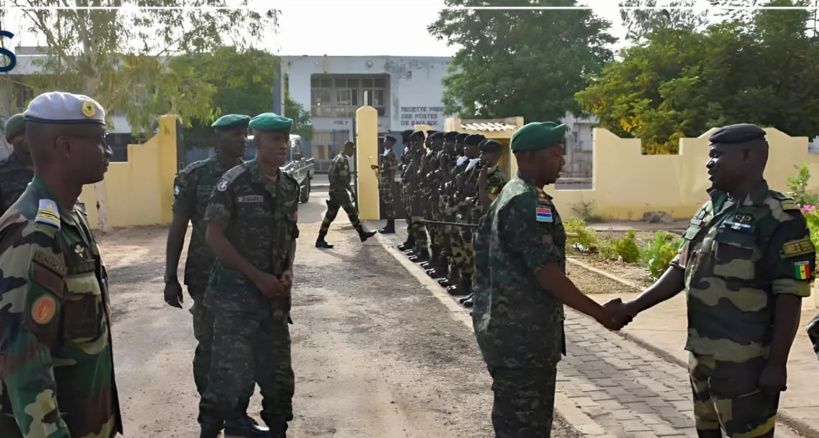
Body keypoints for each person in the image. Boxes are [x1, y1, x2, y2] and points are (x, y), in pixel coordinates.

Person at [616, 123, 814, 438]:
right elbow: (680, 270)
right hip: (702, 357)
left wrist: (777, 363)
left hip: (746, 365)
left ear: (747, 156)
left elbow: (790, 295)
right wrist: (631, 307)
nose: (709, 163)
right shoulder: (711, 208)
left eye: (717, 155)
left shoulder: (779, 218)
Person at [472, 121, 626, 438]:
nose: (563, 161)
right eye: (556, 154)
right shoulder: (524, 200)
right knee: (524, 429)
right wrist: (601, 313)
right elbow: (547, 274)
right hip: (521, 344)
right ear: (529, 157)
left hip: (520, 339)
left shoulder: (519, 194)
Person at [0, 91, 122, 437]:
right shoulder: (32, 232)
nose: (108, 150)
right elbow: (24, 360)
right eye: (100, 140)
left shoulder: (69, 217)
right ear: (65, 147)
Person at [163, 114, 268, 437]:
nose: (243, 139)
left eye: (245, 135)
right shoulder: (195, 176)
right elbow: (178, 226)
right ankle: (211, 416)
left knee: (245, 346)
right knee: (209, 346)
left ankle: (238, 415)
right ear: (218, 138)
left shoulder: (254, 176)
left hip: (245, 277)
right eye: (235, 134)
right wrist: (170, 276)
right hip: (205, 275)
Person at [198, 112, 300, 438]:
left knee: (279, 379)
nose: (282, 145)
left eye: (285, 139)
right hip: (235, 300)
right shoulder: (235, 181)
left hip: (274, 303)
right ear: (257, 141)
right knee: (228, 380)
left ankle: (278, 431)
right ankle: (210, 432)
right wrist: (257, 276)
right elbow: (214, 237)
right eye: (275, 139)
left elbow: (291, 236)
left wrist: (287, 271)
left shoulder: (289, 186)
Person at [316, 141, 376, 248]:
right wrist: (351, 191)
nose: (353, 152)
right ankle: (362, 234)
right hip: (339, 192)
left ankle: (320, 238)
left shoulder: (336, 158)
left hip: (335, 191)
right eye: (352, 149)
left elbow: (330, 175)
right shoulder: (342, 160)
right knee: (350, 212)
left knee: (332, 215)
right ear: (348, 148)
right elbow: (343, 179)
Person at [0, 113, 34, 215]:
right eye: (20, 134)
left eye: (30, 132)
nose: (27, 138)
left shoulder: (53, 167)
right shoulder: (2, 172)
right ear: (10, 140)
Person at [373, 134, 398, 234]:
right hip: (385, 183)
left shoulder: (391, 154)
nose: (383, 142)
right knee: (387, 205)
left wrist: (392, 186)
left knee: (389, 205)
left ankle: (390, 227)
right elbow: (386, 169)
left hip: (388, 184)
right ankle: (388, 225)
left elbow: (392, 172)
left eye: (385, 140)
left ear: (390, 143)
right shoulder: (386, 153)